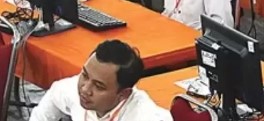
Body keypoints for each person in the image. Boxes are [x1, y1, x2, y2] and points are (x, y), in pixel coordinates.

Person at [30, 40, 172, 121]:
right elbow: (53, 98)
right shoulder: (75, 90)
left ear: (124, 94)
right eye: (85, 75)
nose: (85, 89)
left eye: (98, 86)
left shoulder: (147, 117)